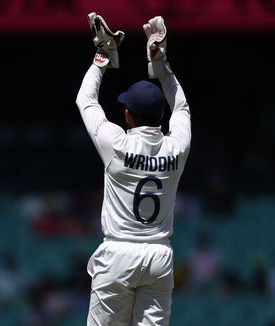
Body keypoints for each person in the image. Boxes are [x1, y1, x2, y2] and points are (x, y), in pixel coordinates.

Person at [76, 13, 191, 325]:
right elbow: (180, 107)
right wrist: (162, 67)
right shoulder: (177, 147)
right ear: (159, 115)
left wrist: (103, 56)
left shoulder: (117, 144)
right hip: (158, 255)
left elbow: (85, 100)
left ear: (127, 116)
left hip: (118, 255)